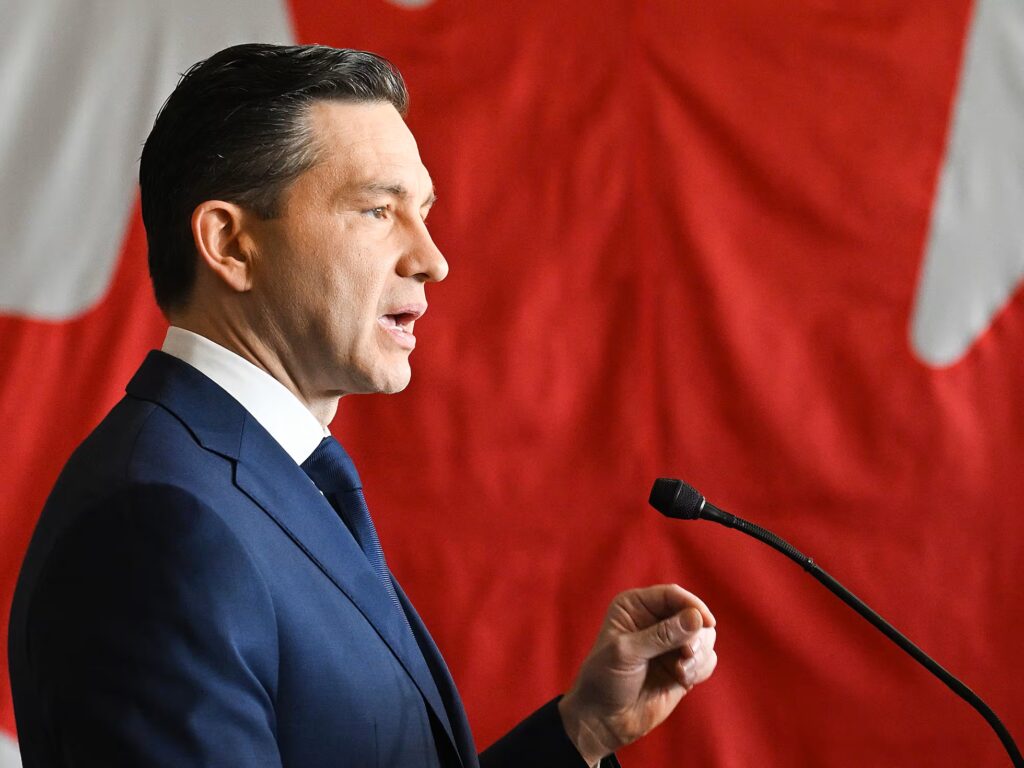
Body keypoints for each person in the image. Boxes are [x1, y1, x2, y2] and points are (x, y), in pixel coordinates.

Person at [8, 43, 718, 767]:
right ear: (231, 244)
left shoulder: (261, 483)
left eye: (424, 212)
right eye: (378, 210)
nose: (432, 260)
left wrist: (582, 731)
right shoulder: (158, 524)